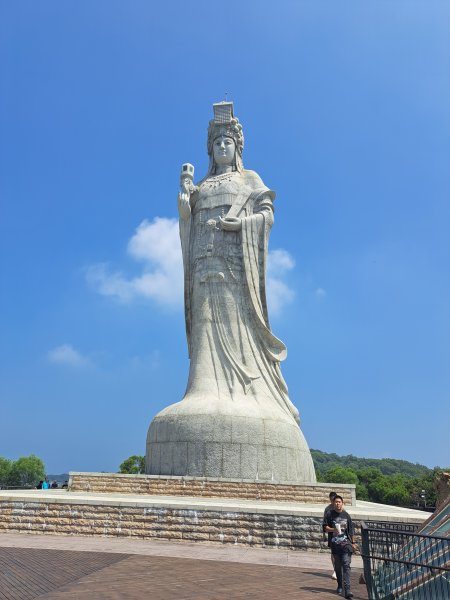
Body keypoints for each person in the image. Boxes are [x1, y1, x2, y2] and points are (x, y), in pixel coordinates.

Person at [177, 102, 300, 426]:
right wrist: (186, 208)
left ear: (236, 146)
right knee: (205, 329)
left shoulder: (249, 179)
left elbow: (267, 215)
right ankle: (203, 388)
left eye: (226, 142)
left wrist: (242, 225)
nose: (221, 147)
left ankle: (249, 390)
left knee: (237, 327)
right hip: (204, 268)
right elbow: (188, 230)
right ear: (209, 149)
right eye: (216, 143)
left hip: (235, 272)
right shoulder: (201, 187)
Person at [324, 495, 356, 599]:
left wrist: (353, 543)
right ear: (333, 503)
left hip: (346, 544)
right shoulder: (329, 514)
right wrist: (334, 530)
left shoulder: (346, 515)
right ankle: (339, 585)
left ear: (342, 503)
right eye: (336, 502)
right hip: (335, 544)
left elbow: (351, 531)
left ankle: (348, 590)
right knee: (338, 566)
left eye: (339, 502)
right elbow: (325, 528)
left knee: (346, 565)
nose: (337, 503)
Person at [323, 491, 338, 579]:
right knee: (333, 553)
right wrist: (323, 534)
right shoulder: (327, 509)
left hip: (340, 535)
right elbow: (324, 523)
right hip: (331, 534)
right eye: (332, 500)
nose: (334, 502)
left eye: (335, 500)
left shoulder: (341, 508)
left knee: (340, 553)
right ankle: (335, 570)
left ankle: (340, 569)